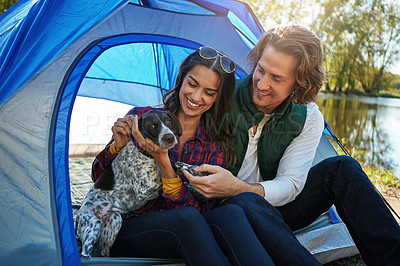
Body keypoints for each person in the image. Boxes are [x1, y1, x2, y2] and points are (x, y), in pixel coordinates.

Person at [183, 25, 400, 265]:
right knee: (244, 202)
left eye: (276, 78)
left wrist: (240, 188)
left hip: (274, 206)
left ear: (300, 83)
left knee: (343, 168)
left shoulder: (308, 116)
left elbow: (291, 184)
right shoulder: (222, 95)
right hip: (225, 210)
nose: (262, 84)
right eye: (260, 70)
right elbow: (178, 114)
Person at [91, 46, 276, 265]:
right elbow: (99, 180)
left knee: (224, 214)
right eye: (193, 84)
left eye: (209, 92)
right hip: (125, 227)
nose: (197, 97)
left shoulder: (214, 146)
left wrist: (164, 162)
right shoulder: (141, 118)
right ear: (182, 78)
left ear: (217, 98)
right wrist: (116, 148)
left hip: (186, 229)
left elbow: (199, 210)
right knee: (186, 220)